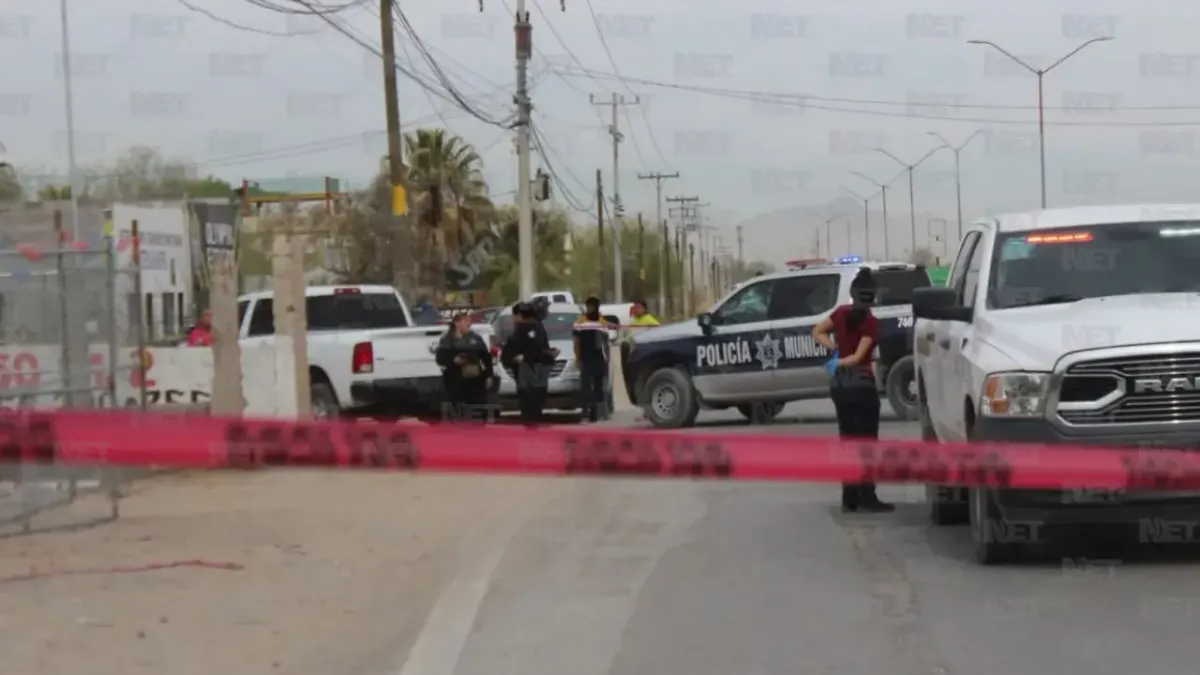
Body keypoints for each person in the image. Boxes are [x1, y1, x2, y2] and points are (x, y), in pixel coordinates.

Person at [812, 268, 894, 514]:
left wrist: (834, 350)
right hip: (861, 386)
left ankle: (849, 497)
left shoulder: (840, 313)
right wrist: (842, 359)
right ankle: (867, 496)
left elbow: (817, 331)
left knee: (847, 440)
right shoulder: (871, 322)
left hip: (840, 386)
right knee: (867, 442)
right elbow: (859, 357)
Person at [501, 302, 557, 426]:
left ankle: (531, 423)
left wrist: (524, 357)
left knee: (530, 401)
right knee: (533, 400)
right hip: (533, 371)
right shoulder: (536, 327)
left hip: (530, 371)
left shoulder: (527, 327)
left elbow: (532, 348)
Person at [435, 311, 494, 423]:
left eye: (469, 320)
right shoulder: (447, 340)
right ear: (457, 323)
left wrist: (489, 375)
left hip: (475, 380)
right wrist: (453, 360)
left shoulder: (475, 338)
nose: (468, 323)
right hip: (456, 381)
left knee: (477, 409)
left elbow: (486, 357)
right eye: (465, 320)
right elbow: (440, 359)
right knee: (458, 411)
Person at [574, 296, 618, 423]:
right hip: (586, 358)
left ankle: (601, 414)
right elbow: (576, 341)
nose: (590, 309)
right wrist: (578, 358)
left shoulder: (601, 320)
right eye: (588, 306)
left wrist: (616, 326)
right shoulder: (580, 321)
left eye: (592, 306)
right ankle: (586, 413)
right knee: (586, 387)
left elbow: (607, 337)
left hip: (600, 358)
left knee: (601, 386)